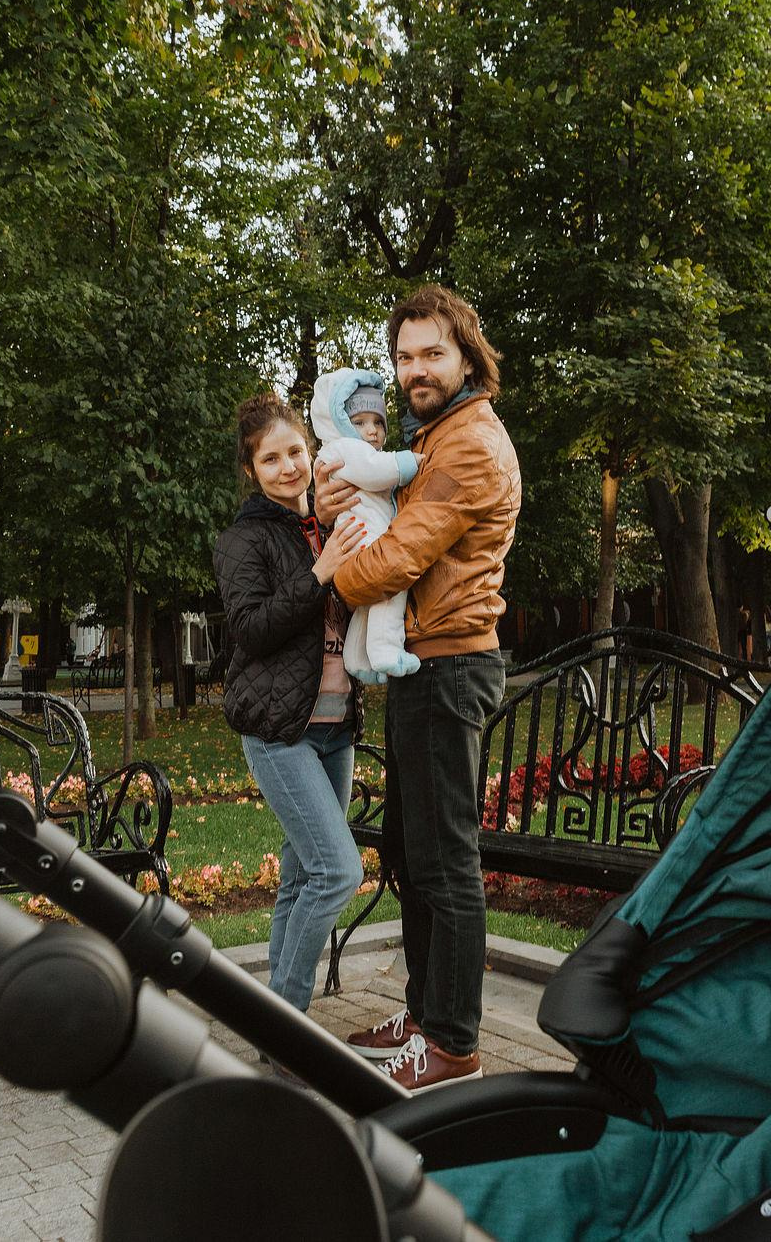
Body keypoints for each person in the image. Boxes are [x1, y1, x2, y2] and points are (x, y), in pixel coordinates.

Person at [317, 284, 521, 1092]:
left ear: (467, 355)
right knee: (410, 850)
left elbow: (401, 556)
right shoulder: (435, 436)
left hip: (448, 665)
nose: (414, 369)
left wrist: (327, 581)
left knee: (445, 861)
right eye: (403, 357)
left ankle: (454, 1044)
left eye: (432, 352)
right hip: (421, 667)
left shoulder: (469, 442)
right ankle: (424, 1011)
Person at [213, 392, 370, 1023]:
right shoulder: (242, 541)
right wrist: (321, 572)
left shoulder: (330, 523)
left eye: (295, 451)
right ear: (251, 470)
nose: (287, 467)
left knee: (302, 878)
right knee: (337, 872)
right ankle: (289, 1028)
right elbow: (250, 630)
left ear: (312, 452)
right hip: (282, 735)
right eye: (270, 458)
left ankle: (270, 1018)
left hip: (337, 726)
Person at [307, 366, 423, 684]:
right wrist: (408, 462)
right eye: (359, 423)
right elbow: (376, 470)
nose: (372, 431)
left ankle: (358, 657)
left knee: (367, 604)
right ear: (341, 422)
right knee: (391, 586)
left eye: (377, 423)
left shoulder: (347, 449)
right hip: (363, 537)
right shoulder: (344, 449)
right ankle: (386, 651)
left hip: (356, 537)